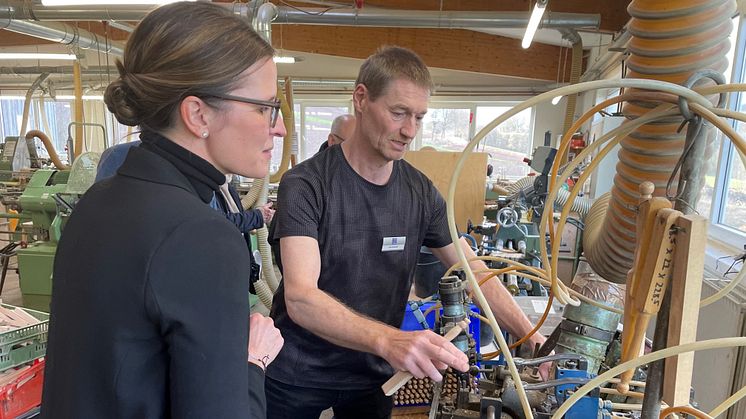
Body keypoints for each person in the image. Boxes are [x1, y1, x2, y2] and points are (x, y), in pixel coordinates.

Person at [267, 46, 546, 418]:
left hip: (373, 375)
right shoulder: (306, 184)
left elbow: (474, 270)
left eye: (418, 117)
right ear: (361, 98)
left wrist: (532, 339)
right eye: (398, 113)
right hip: (299, 372)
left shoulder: (420, 193)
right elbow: (301, 298)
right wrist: (392, 339)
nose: (409, 130)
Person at [40, 3, 284, 418]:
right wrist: (252, 362)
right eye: (263, 107)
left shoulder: (97, 203)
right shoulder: (201, 235)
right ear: (197, 114)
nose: (277, 127)